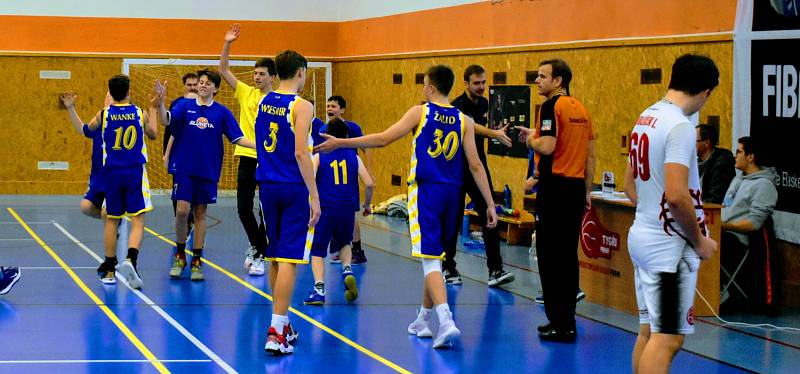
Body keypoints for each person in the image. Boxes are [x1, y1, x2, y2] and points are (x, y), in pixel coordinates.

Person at [316, 64, 498, 350]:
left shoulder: (421, 111)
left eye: (424, 84)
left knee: (429, 260)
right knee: (435, 257)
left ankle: (446, 320)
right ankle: (423, 320)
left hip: (426, 192)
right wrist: (489, 202)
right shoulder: (465, 120)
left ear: (431, 87)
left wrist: (342, 141)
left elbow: (384, 138)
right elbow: (475, 165)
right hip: (454, 195)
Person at [623, 54, 719, 374]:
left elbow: (629, 185)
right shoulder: (679, 125)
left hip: (643, 234)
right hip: (669, 247)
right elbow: (677, 197)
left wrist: (651, 215)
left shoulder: (647, 116)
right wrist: (700, 241)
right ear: (706, 92)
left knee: (649, 331)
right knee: (668, 339)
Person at [516, 58, 595, 342]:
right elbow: (590, 154)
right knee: (567, 256)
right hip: (574, 190)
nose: (537, 81)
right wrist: (586, 191)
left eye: (542, 76)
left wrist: (530, 141)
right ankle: (568, 321)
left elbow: (547, 146)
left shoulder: (551, 106)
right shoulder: (582, 110)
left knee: (549, 257)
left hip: (556, 192)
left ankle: (557, 323)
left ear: (558, 81)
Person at [156, 70, 256, 281]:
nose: (202, 85)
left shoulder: (222, 112)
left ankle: (197, 259)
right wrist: (161, 103)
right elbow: (166, 120)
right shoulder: (184, 106)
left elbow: (237, 138)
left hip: (207, 170)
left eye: (207, 83)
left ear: (215, 88)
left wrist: (262, 148)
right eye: (200, 82)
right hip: (183, 168)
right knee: (182, 212)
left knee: (200, 213)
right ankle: (180, 254)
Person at [255, 50, 320, 355]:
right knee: (290, 259)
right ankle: (276, 330)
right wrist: (314, 195)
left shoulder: (263, 101)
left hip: (267, 186)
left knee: (275, 254)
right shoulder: (302, 105)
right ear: (300, 72)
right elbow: (301, 152)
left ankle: (283, 322)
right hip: (294, 187)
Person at [443, 64, 515, 286]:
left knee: (489, 213)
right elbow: (470, 127)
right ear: (466, 84)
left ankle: (495, 269)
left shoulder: (484, 103)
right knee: (453, 219)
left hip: (478, 167)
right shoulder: (456, 107)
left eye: (484, 82)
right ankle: (448, 267)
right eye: (476, 83)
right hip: (456, 169)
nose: (481, 87)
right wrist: (493, 133)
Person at [85, 74, 158, 288]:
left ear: (110, 92)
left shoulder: (104, 113)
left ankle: (109, 268)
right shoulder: (139, 112)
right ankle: (131, 260)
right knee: (138, 218)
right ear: (128, 91)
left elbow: (90, 128)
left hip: (112, 172)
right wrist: (154, 109)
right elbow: (153, 134)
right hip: (134, 171)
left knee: (111, 219)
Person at [220, 23, 276, 276]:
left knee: (266, 209)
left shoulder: (278, 100)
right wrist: (228, 43)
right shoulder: (245, 93)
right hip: (246, 156)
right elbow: (223, 69)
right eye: (255, 73)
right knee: (243, 208)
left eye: (262, 73)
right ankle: (257, 247)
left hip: (270, 161)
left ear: (273, 77)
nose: (256, 77)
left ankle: (260, 254)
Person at [304, 118, 374, 305]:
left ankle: (319, 288)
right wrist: (367, 204)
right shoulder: (354, 157)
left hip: (326, 207)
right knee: (344, 242)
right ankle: (347, 270)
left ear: (327, 135)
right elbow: (369, 183)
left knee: (317, 250)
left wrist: (310, 202)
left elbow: (308, 179)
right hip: (347, 208)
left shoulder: (320, 156)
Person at [720, 136, 778, 306]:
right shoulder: (737, 180)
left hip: (738, 240)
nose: (734, 155)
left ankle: (721, 291)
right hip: (723, 231)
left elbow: (754, 223)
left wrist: (726, 226)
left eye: (739, 151)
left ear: (750, 157)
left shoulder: (763, 185)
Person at [318, 95, 369, 265]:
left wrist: (368, 169)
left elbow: (365, 148)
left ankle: (357, 249)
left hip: (349, 173)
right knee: (340, 215)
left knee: (350, 215)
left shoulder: (352, 128)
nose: (329, 109)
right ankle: (342, 248)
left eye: (333, 106)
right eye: (328, 106)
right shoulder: (324, 128)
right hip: (332, 176)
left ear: (342, 110)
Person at [61, 92, 114, 219]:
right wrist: (70, 108)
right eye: (107, 96)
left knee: (108, 211)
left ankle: (113, 225)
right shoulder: (99, 123)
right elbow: (82, 129)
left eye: (112, 96)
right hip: (98, 179)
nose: (108, 99)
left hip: (114, 178)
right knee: (86, 207)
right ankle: (113, 221)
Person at [161, 73, 198, 226]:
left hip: (197, 155)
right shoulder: (177, 104)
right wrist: (166, 154)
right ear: (184, 86)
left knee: (196, 188)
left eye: (195, 84)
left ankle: (194, 217)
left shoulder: (204, 105)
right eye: (189, 85)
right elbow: (170, 131)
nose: (193, 88)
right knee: (178, 188)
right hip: (179, 155)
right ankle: (181, 220)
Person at [696, 124, 735, 204]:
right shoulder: (697, 162)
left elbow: (715, 199)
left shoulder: (722, 165)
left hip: (712, 213)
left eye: (693, 140)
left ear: (707, 143)